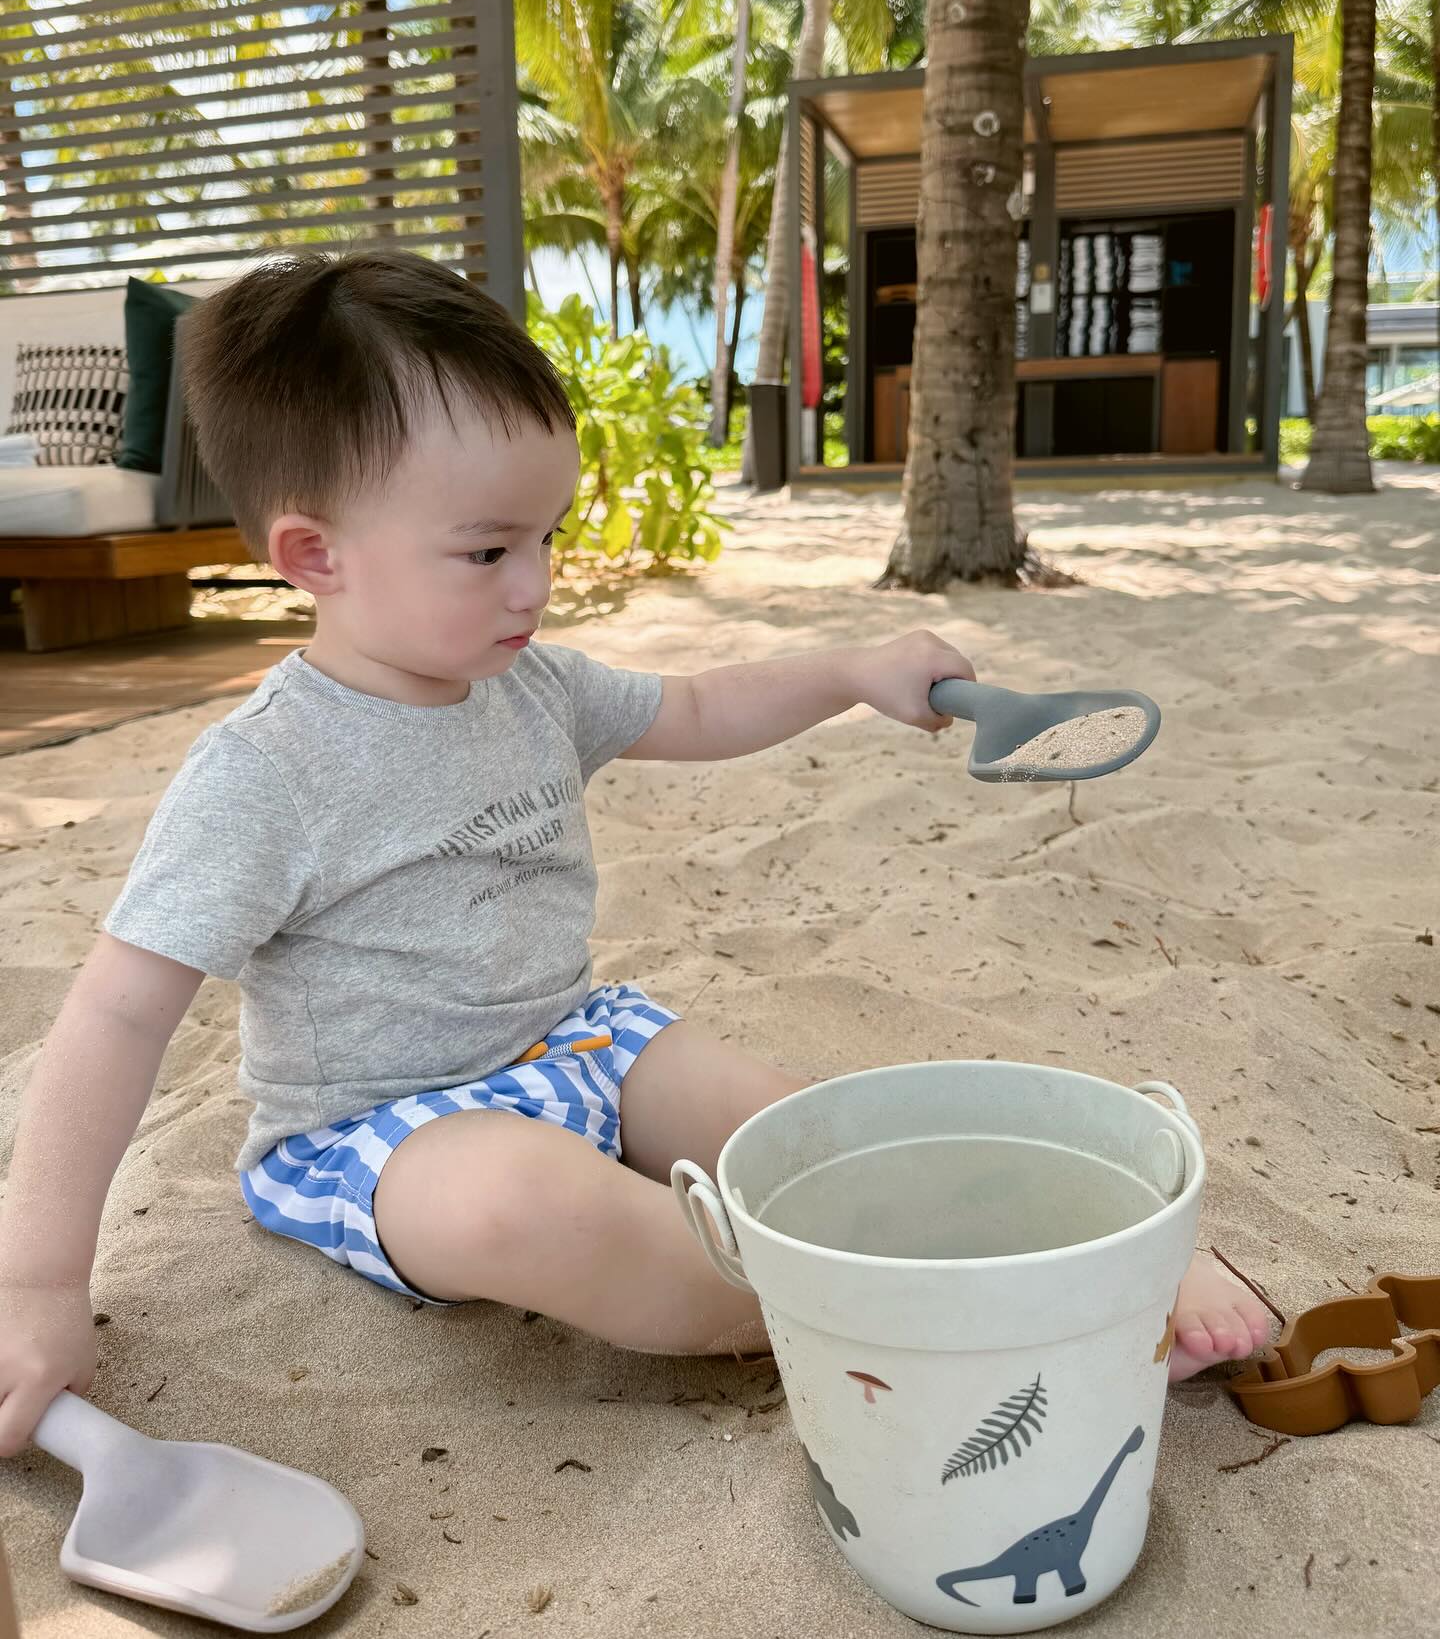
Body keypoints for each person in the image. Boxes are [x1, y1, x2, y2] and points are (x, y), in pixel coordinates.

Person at [0, 251, 1269, 1458]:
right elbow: (115, 1014)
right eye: (490, 548)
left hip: (577, 1039)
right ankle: (899, 1318)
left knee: (795, 1127)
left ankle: (1075, 1260)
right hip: (377, 1131)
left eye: (547, 535)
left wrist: (849, 673)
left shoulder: (533, 687)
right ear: (312, 555)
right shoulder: (266, 773)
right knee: (530, 1207)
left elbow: (701, 708)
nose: (535, 582)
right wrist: (40, 1281)